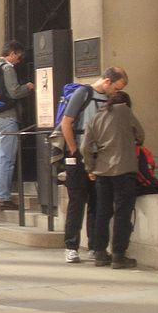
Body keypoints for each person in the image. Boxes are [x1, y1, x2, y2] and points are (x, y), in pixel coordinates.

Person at [61, 67, 128, 263]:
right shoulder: (83, 93)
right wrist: (74, 149)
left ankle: (93, 246)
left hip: (99, 156)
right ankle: (71, 246)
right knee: (77, 200)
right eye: (117, 87)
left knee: (97, 201)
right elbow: (67, 122)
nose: (117, 92)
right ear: (107, 82)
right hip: (80, 155)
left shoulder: (109, 100)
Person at [81, 91, 143, 269]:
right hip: (124, 170)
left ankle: (100, 252)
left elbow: (85, 146)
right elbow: (141, 134)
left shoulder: (96, 116)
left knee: (103, 211)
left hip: (102, 171)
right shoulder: (125, 111)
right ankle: (118, 255)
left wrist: (90, 167)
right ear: (126, 102)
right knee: (123, 213)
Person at [0, 41, 35, 210]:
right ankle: (3, 197)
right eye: (19, 56)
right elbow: (14, 91)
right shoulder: (7, 68)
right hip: (7, 118)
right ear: (12, 53)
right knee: (6, 158)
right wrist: (27, 87)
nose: (19, 61)